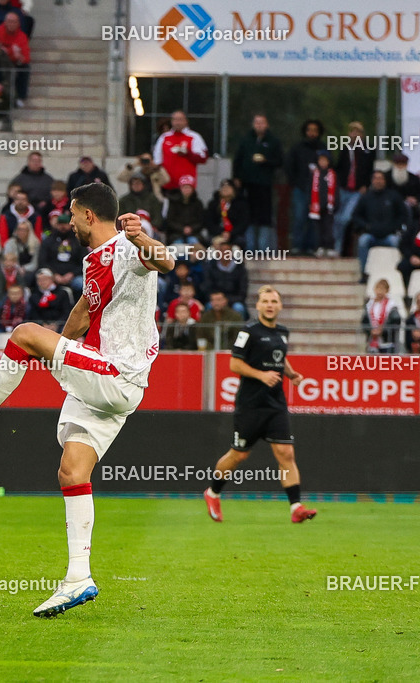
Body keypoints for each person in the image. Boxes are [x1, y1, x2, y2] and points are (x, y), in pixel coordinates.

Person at [0, 183, 174, 617]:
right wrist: (58, 347)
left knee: (22, 332)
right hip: (102, 377)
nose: (68, 222)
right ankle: (78, 577)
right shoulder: (93, 260)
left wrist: (143, 239)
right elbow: (84, 310)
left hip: (118, 374)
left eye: (73, 215)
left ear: (88, 215)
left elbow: (164, 261)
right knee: (71, 470)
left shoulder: (124, 247)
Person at [204, 286, 317, 524]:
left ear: (280, 306)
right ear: (258, 306)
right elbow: (235, 364)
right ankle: (213, 492)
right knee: (239, 455)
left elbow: (279, 356)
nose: (269, 305)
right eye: (265, 301)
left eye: (274, 301)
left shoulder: (283, 332)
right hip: (250, 404)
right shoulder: (249, 332)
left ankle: (295, 506)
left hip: (275, 404)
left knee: (286, 453)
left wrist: (291, 374)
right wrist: (261, 375)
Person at [232, 114, 283, 251]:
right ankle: (249, 247)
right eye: (257, 122)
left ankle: (264, 248)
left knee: (265, 217)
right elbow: (238, 159)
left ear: (267, 124)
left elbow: (279, 161)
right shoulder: (246, 140)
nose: (259, 125)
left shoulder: (273, 141)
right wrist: (237, 177)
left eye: (262, 123)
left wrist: (266, 161)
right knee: (248, 215)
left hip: (265, 185)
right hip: (248, 184)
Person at [353, 171, 407, 280]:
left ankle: (397, 274)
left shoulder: (393, 196)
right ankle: (364, 273)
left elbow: (403, 215)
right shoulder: (366, 197)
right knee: (363, 241)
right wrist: (366, 226)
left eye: (381, 178)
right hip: (371, 234)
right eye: (376, 178)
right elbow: (356, 215)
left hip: (389, 235)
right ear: (372, 180)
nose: (378, 181)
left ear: (385, 181)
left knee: (395, 242)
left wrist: (393, 227)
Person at [333, 121, 376, 257]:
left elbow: (370, 170)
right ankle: (337, 248)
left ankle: (340, 248)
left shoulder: (368, 150)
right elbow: (339, 167)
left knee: (345, 218)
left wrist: (366, 185)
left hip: (357, 190)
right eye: (353, 132)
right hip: (344, 188)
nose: (355, 134)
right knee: (337, 218)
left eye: (358, 132)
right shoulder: (345, 149)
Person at [285, 119, 325, 255]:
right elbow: (289, 165)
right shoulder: (297, 148)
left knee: (313, 219)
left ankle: (310, 246)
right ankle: (297, 245)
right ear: (305, 131)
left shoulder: (323, 148)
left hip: (318, 190)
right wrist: (294, 182)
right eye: (309, 130)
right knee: (299, 217)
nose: (312, 133)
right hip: (300, 188)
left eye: (315, 130)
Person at [152, 110, 208, 197]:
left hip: (187, 186)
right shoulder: (164, 137)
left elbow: (203, 158)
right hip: (167, 185)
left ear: (186, 121)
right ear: (172, 122)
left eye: (180, 120)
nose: (177, 123)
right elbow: (157, 160)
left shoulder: (194, 137)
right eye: (175, 120)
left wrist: (187, 153)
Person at [362, 278, 405, 354]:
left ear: (387, 291)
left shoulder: (391, 305)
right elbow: (365, 321)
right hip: (372, 340)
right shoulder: (369, 304)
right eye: (378, 288)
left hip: (387, 341)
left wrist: (383, 329)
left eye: (382, 289)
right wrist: (370, 330)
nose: (380, 291)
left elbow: (395, 321)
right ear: (374, 289)